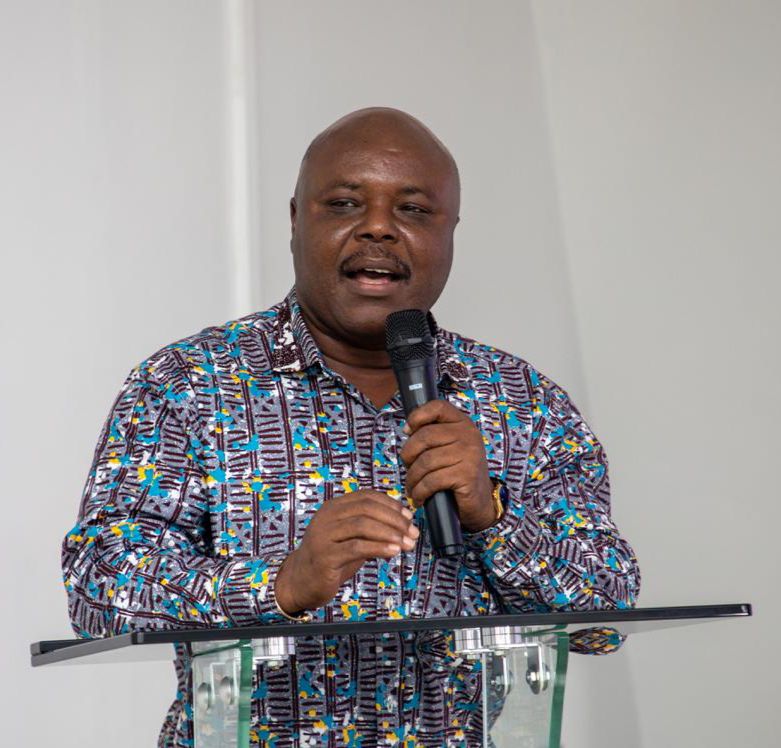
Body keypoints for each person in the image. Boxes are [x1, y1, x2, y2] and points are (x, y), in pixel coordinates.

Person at [62, 107, 640, 747]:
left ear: (450, 231)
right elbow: (97, 588)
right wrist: (279, 585)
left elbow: (605, 618)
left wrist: (493, 516)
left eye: (413, 210)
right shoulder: (187, 385)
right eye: (343, 204)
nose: (379, 228)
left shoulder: (523, 400)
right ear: (294, 220)